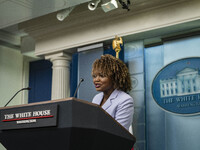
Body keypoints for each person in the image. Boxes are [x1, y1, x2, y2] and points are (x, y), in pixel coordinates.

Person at [91, 54, 134, 131]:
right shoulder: (96, 98)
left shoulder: (125, 100)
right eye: (94, 76)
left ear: (114, 77)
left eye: (102, 76)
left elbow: (119, 133)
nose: (96, 80)